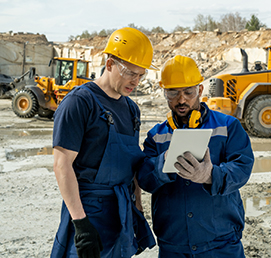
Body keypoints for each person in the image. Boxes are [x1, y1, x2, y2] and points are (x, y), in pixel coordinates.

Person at [50, 27, 157, 258]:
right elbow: (61, 164)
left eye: (141, 75)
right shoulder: (79, 103)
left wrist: (137, 208)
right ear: (109, 65)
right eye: (130, 73)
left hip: (121, 212)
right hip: (89, 211)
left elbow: (132, 166)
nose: (136, 81)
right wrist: (81, 224)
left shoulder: (131, 109)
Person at [137, 55, 254, 258]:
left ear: (200, 90)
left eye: (188, 92)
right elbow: (144, 178)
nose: (181, 100)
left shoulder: (227, 126)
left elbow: (242, 167)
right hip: (174, 245)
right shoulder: (156, 136)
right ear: (164, 92)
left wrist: (210, 176)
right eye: (173, 93)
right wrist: (162, 164)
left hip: (221, 244)